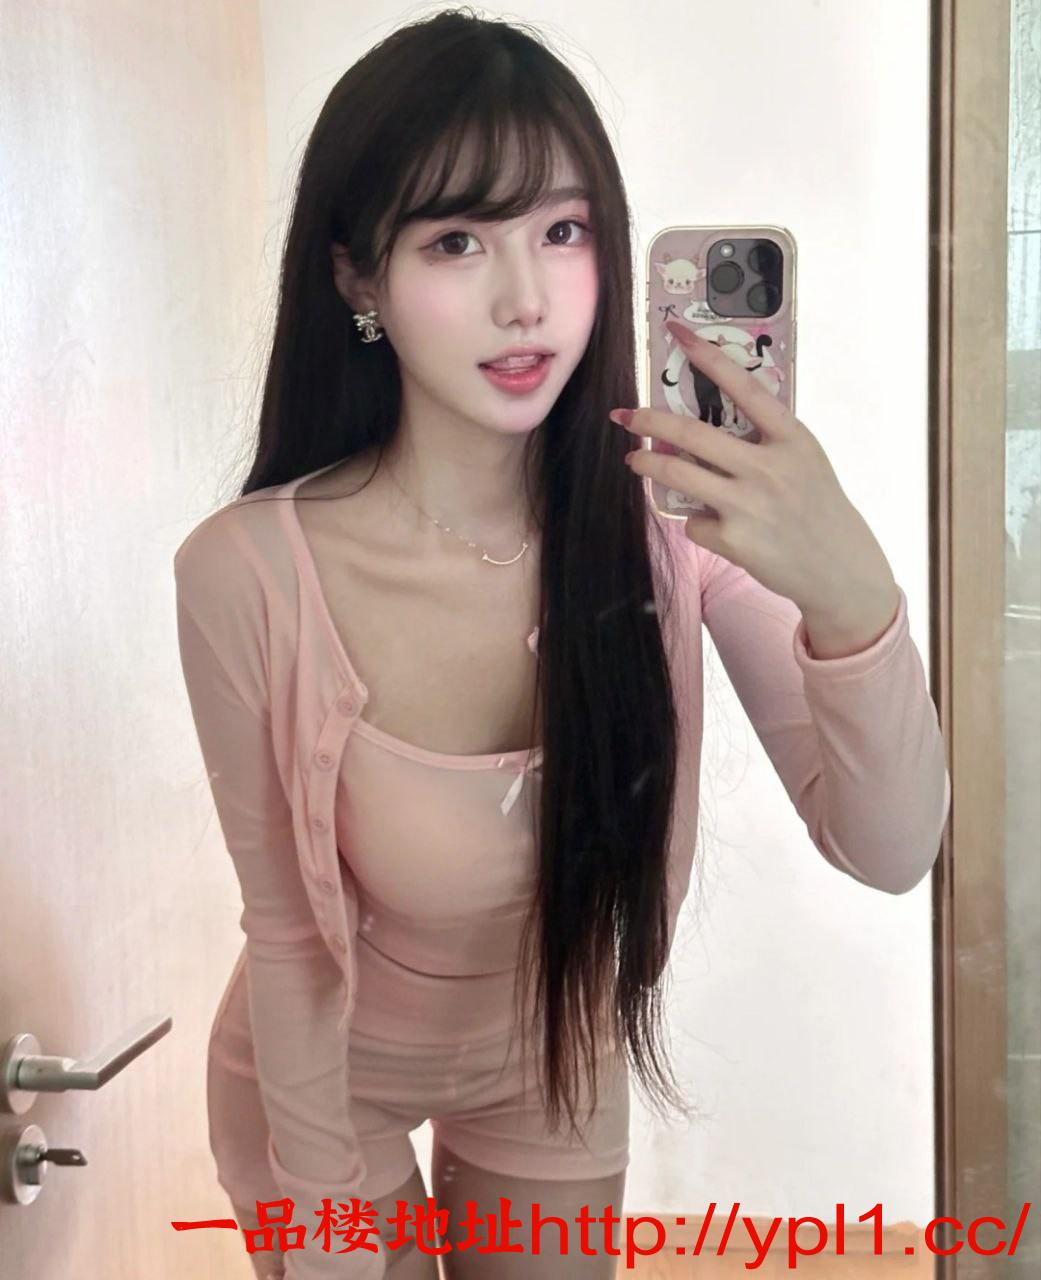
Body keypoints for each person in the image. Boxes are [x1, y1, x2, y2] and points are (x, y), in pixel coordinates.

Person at [173, 9, 951, 1279]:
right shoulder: (247, 571)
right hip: (318, 1084)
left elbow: (891, 844)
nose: (525, 298)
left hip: (555, 1052)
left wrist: (852, 595)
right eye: (457, 240)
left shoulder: (672, 530)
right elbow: (291, 941)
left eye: (563, 230)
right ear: (358, 279)